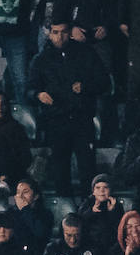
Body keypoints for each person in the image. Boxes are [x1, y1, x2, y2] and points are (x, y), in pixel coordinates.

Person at [29, 22, 109, 198]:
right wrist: (38, 94)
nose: (59, 36)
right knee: (60, 172)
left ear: (70, 33)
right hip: (56, 122)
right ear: (49, 34)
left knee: (88, 170)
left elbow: (105, 83)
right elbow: (29, 90)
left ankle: (90, 212)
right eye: (55, 32)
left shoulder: (87, 54)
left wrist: (86, 87)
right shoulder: (41, 60)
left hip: (82, 120)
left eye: (63, 32)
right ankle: (66, 215)